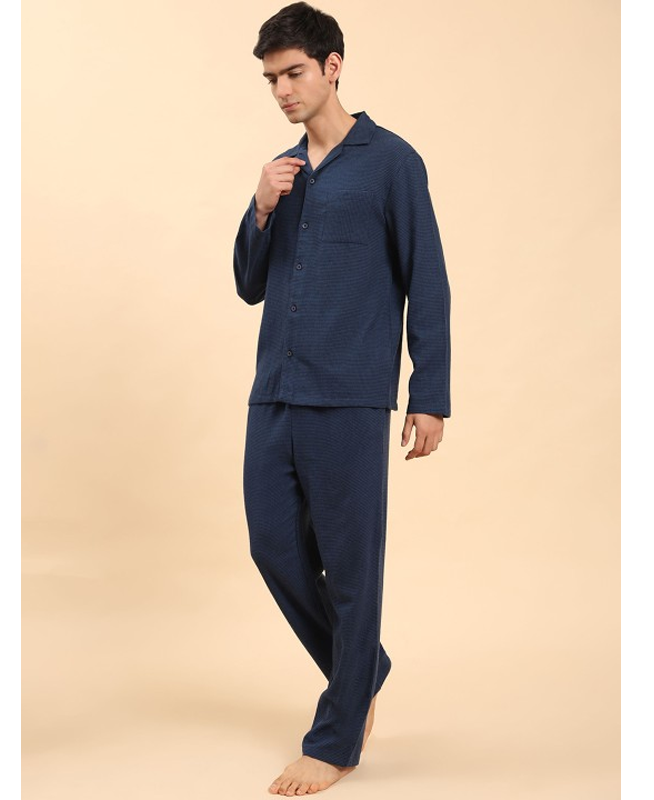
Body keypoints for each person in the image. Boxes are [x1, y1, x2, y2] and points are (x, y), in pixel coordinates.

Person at [232, 2, 451, 794]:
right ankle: (362, 672)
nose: (282, 90)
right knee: (272, 545)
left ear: (332, 67)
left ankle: (336, 740)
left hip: (351, 398)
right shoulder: (282, 173)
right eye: (271, 79)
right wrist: (260, 208)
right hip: (276, 392)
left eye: (293, 73)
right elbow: (249, 285)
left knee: (353, 570)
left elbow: (427, 279)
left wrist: (429, 394)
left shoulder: (391, 163)